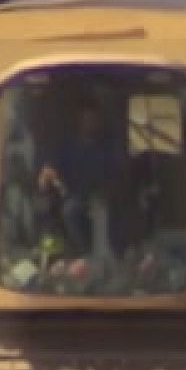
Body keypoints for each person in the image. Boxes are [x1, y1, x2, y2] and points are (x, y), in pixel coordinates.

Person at [37, 102, 114, 259]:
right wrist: (53, 179)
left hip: (99, 197)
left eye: (93, 120)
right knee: (68, 211)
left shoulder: (105, 148)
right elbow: (49, 169)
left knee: (101, 210)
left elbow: (112, 174)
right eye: (87, 119)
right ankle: (82, 252)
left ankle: (102, 257)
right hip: (71, 195)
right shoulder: (67, 146)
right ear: (79, 121)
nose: (90, 123)